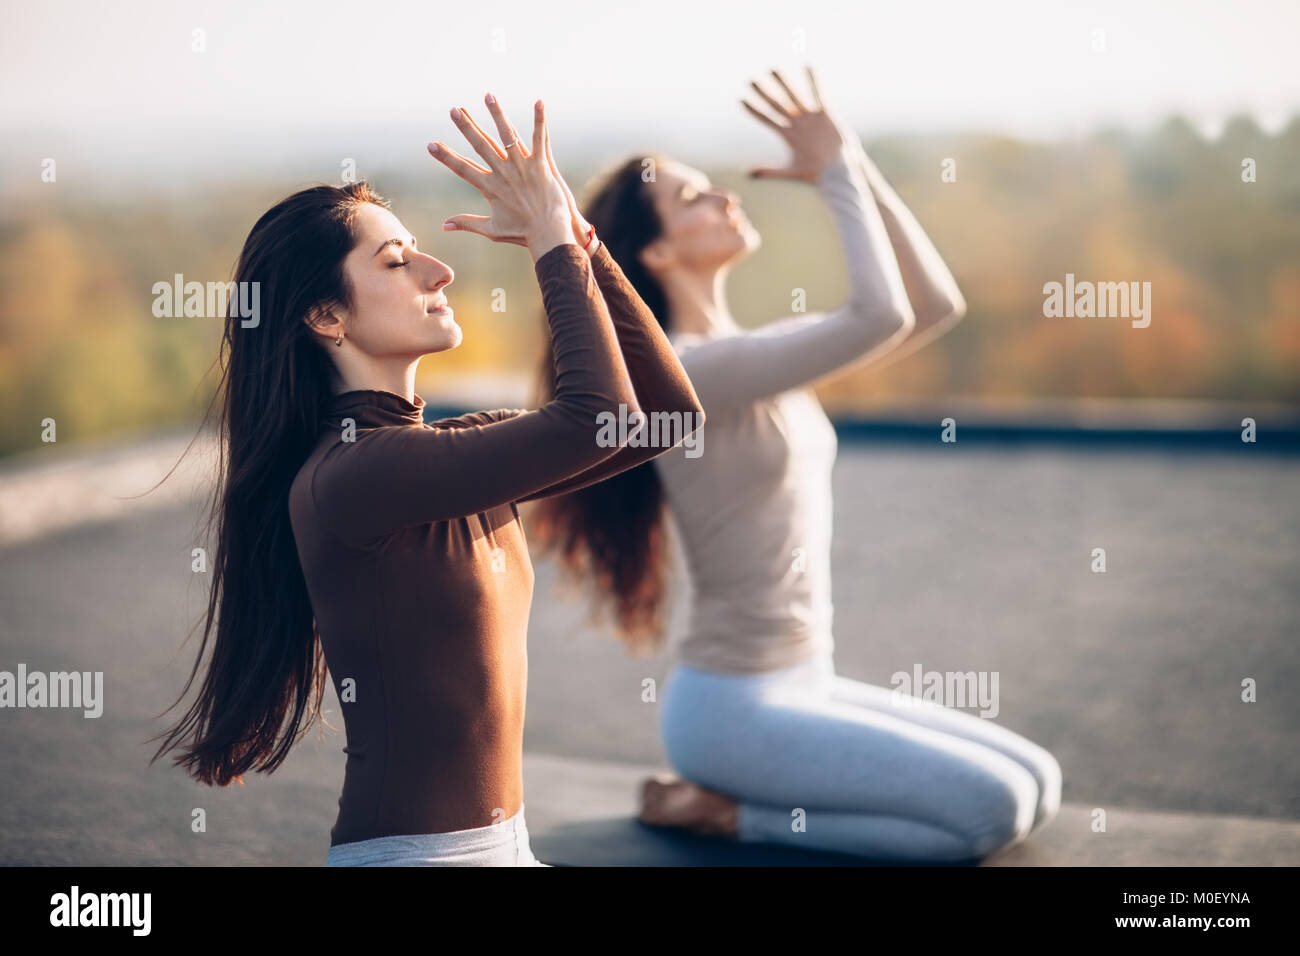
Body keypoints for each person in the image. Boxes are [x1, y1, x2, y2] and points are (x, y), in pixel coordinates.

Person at [148, 96, 703, 866]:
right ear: (325, 317)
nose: (438, 269)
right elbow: (592, 415)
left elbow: (667, 418)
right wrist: (551, 244)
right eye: (395, 261)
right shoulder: (353, 475)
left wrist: (580, 239)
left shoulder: (444, 457)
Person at [528, 68, 1062, 862]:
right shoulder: (693, 369)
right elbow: (879, 313)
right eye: (693, 198)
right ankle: (728, 815)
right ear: (657, 250)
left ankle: (735, 803)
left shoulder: (751, 356)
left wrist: (849, 164)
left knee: (1039, 781)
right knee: (991, 812)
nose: (725, 200)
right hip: (735, 711)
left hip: (807, 678)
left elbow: (932, 305)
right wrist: (836, 171)